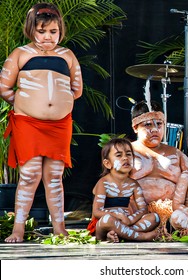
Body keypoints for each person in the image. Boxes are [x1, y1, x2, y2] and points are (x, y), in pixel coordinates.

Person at [0, 3, 83, 243]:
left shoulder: (67, 55)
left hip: (59, 125)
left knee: (54, 176)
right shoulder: (21, 53)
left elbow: (76, 90)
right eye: (42, 31)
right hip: (28, 123)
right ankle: (18, 228)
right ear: (31, 30)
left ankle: (60, 228)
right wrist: (26, 101)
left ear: (60, 31)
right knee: (29, 175)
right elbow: (4, 87)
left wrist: (59, 101)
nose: (48, 37)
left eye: (53, 32)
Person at [130, 100, 188, 227]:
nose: (155, 129)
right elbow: (111, 184)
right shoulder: (127, 152)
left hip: (173, 215)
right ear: (135, 127)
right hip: (135, 214)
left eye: (159, 124)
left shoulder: (176, 154)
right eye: (148, 125)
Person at [87, 138, 160, 242]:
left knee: (154, 217)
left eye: (129, 154)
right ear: (108, 163)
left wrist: (130, 220)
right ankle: (141, 236)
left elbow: (143, 209)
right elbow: (97, 211)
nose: (125, 158)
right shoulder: (103, 183)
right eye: (119, 155)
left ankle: (120, 234)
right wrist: (118, 216)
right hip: (103, 224)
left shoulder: (134, 184)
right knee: (107, 220)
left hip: (127, 222)